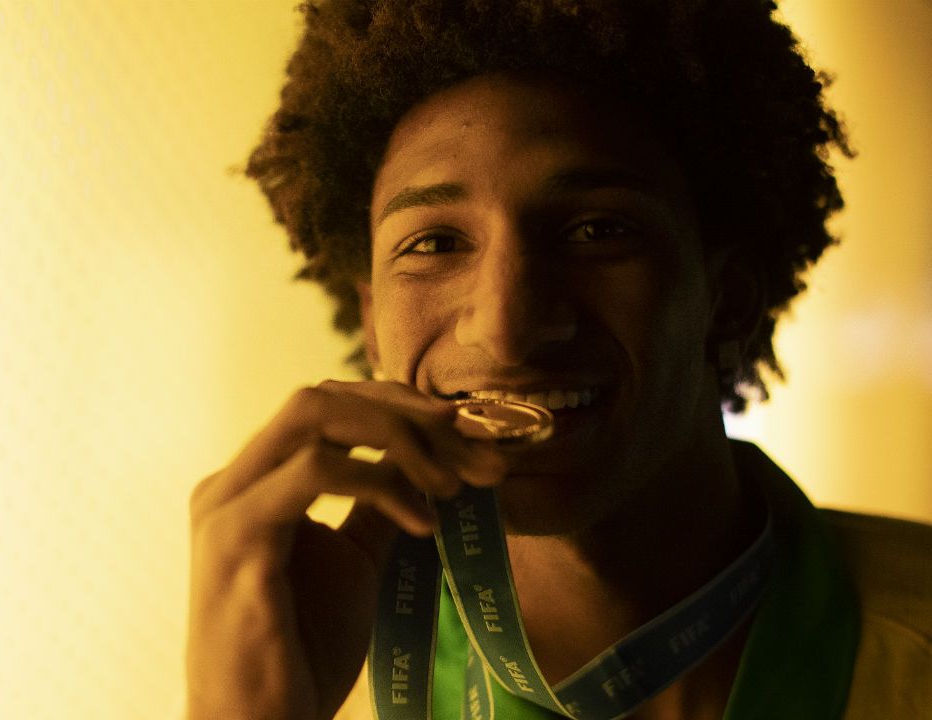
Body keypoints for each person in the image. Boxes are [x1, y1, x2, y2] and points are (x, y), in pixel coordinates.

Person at [186, 1, 932, 718]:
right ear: (372, 322)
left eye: (596, 230)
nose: (506, 331)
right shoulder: (306, 671)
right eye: (434, 243)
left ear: (728, 299)